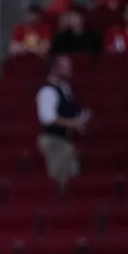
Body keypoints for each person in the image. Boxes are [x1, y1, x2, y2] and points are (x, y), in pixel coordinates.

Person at [35, 55, 89, 192]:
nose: (69, 69)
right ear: (55, 69)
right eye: (65, 66)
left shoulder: (66, 90)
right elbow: (48, 119)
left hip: (65, 140)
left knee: (71, 177)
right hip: (55, 141)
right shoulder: (47, 91)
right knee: (61, 180)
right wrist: (74, 122)